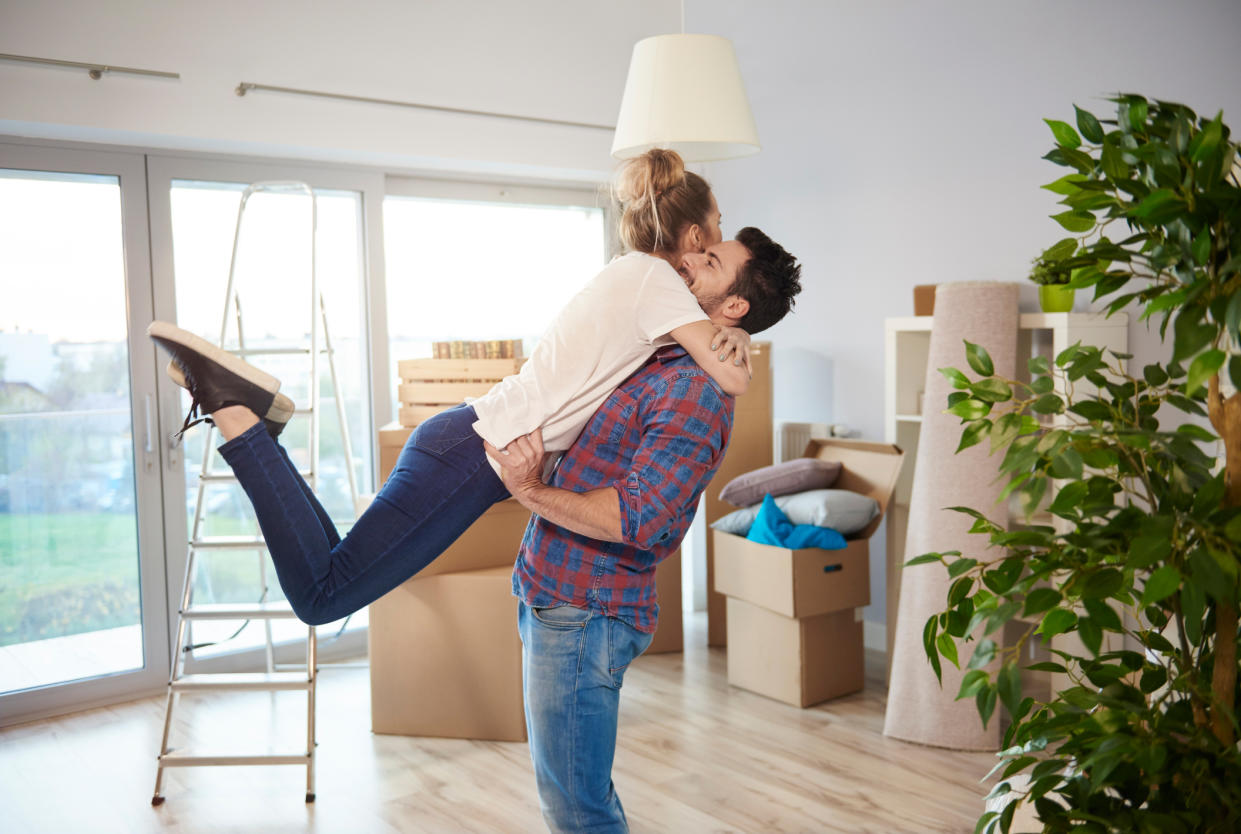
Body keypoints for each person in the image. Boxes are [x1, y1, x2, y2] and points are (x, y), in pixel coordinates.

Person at [146, 149, 797, 626]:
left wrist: (735, 331)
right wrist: (737, 340)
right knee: (323, 597)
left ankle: (249, 416)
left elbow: (709, 354)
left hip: (462, 441)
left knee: (333, 570)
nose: (711, 239)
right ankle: (237, 416)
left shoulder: (644, 288)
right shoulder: (656, 286)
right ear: (690, 236)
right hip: (473, 455)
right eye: (714, 229)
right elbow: (731, 376)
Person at [486, 226, 803, 833]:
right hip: (555, 594)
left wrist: (529, 491)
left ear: (734, 306)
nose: (686, 260)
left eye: (708, 262)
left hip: (585, 611)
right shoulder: (663, 353)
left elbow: (637, 517)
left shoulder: (693, 391)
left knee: (577, 808)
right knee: (569, 792)